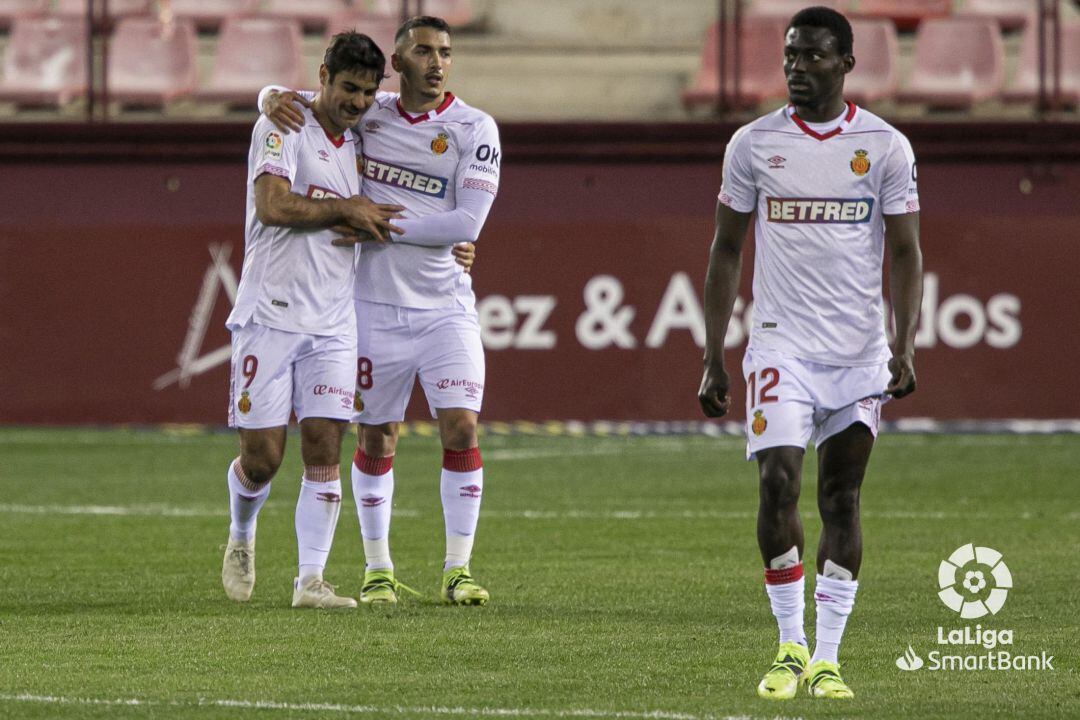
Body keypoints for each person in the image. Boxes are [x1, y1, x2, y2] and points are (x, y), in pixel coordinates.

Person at [697, 7, 923, 700]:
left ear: (846, 63)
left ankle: (829, 656)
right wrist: (713, 355)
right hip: (779, 349)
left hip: (857, 354)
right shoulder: (753, 144)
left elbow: (907, 253)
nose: (797, 65)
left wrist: (903, 346)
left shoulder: (884, 147)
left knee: (841, 498)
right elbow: (726, 250)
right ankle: (790, 646)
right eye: (791, 54)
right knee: (778, 484)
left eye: (814, 55)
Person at [260, 15, 501, 607]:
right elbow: (304, 103)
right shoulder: (371, 111)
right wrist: (266, 96)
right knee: (376, 437)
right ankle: (378, 569)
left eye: (446, 51)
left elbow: (466, 223)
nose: (438, 61)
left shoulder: (475, 127)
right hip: (370, 305)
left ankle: (457, 569)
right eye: (424, 50)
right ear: (399, 61)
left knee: (463, 426)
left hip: (445, 305)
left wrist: (378, 226)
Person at [220, 32, 406, 610]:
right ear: (322, 75)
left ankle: (311, 581)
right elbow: (273, 206)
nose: (357, 101)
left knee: (325, 443)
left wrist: (455, 245)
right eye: (348, 87)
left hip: (333, 321)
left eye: (368, 92)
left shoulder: (363, 137)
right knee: (263, 459)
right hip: (270, 315)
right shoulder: (282, 122)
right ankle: (242, 534)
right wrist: (343, 207)